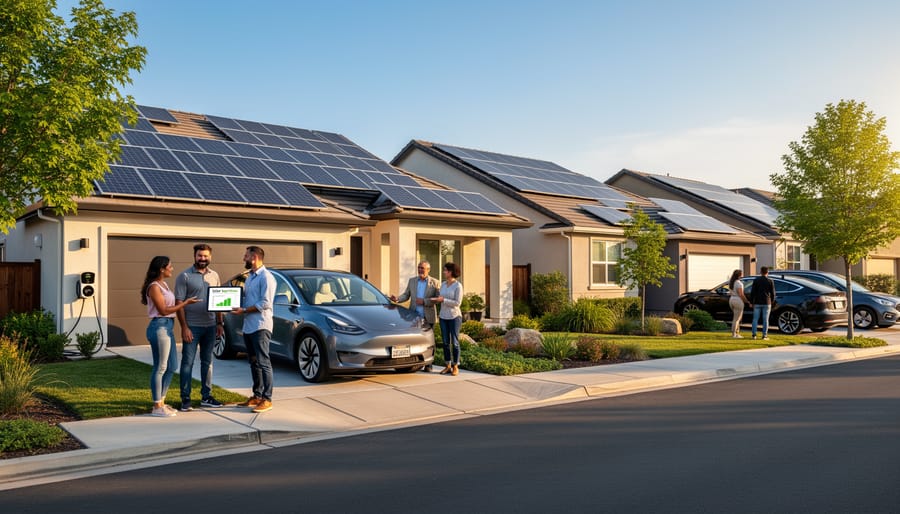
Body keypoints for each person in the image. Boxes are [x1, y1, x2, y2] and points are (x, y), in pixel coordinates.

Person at [140, 256, 199, 417]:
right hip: (159, 326)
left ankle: (162, 402)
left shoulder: (164, 284)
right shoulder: (153, 287)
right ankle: (156, 406)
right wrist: (185, 303)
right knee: (161, 367)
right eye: (170, 267)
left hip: (168, 327)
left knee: (172, 366)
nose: (172, 269)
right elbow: (164, 310)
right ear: (162, 269)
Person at [175, 243, 225, 412]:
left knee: (207, 362)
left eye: (205, 256)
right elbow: (179, 304)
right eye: (199, 256)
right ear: (194, 256)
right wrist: (184, 327)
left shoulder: (215, 275)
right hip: (192, 327)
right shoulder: (185, 276)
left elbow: (218, 301)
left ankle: (206, 396)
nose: (202, 259)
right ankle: (186, 399)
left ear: (210, 257)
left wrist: (219, 323)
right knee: (187, 363)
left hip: (210, 326)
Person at [232, 246, 276, 413]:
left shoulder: (267, 277)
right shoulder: (250, 277)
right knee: (253, 362)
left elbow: (265, 303)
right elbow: (247, 300)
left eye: (246, 256)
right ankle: (257, 396)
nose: (244, 258)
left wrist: (243, 310)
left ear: (255, 256)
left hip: (260, 326)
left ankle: (267, 399)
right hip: (249, 326)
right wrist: (234, 305)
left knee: (264, 363)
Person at [390, 260, 440, 372]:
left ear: (428, 270)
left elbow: (438, 299)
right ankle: (412, 361)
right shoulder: (412, 281)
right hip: (413, 316)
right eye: (419, 267)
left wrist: (424, 301)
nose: (420, 270)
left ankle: (428, 364)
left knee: (429, 341)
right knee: (413, 340)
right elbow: (406, 295)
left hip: (428, 316)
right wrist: (397, 299)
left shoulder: (435, 282)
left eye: (423, 268)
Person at [432, 262, 463, 376]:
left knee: (454, 342)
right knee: (445, 342)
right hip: (443, 316)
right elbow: (440, 298)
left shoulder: (458, 286)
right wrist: (436, 300)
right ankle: (447, 365)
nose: (444, 272)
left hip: (454, 317)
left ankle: (455, 365)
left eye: (445, 270)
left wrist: (443, 300)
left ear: (451, 272)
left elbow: (457, 303)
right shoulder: (444, 284)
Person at [750, 266, 776, 340]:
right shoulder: (770, 281)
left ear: (760, 272)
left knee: (755, 319)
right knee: (765, 320)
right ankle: (764, 335)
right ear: (767, 272)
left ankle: (754, 335)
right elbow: (773, 293)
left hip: (757, 302)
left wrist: (751, 302)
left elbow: (753, 292)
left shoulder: (756, 280)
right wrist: (772, 301)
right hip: (767, 302)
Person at [728, 269, 749, 338]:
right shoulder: (739, 283)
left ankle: (737, 333)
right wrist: (747, 301)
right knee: (736, 319)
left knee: (736, 318)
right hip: (738, 300)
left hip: (731, 299)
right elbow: (741, 294)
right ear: (739, 275)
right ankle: (734, 334)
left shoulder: (731, 282)